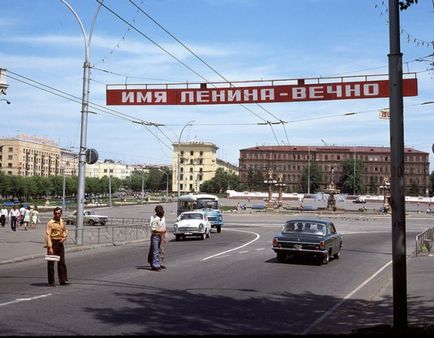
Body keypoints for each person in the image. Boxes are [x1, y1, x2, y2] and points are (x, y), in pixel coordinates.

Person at [44, 207, 69, 287]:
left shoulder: (62, 221)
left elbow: (65, 230)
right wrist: (50, 247)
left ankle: (63, 280)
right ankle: (51, 282)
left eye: (58, 213)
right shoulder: (50, 223)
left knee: (62, 262)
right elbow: (48, 235)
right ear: (53, 214)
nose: (57, 215)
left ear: (61, 213)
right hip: (53, 242)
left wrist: (64, 237)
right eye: (55, 213)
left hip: (60, 243)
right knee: (51, 263)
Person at [147, 205, 167, 271]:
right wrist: (162, 231)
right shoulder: (154, 218)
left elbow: (164, 226)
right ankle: (155, 265)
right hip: (155, 235)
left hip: (160, 235)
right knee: (155, 251)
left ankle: (157, 263)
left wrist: (164, 235)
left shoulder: (162, 217)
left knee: (160, 250)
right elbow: (153, 229)